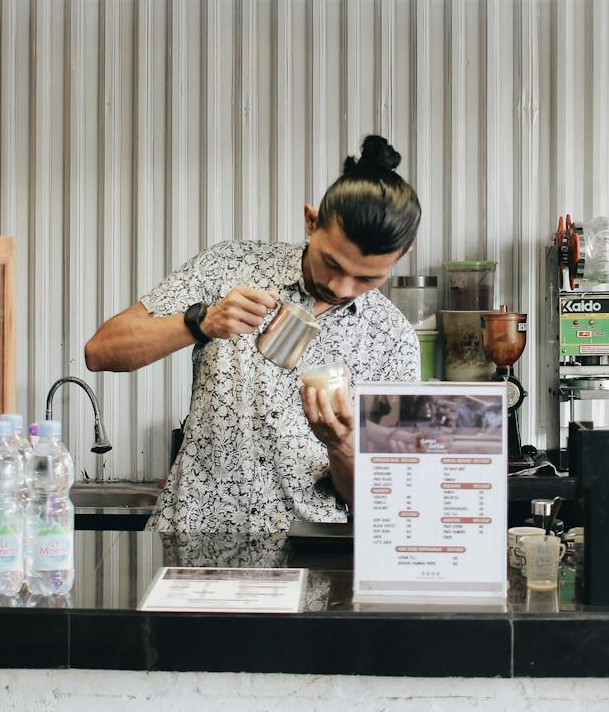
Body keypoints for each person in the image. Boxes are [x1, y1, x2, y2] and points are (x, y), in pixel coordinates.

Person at [85, 135, 423, 533]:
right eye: (331, 263)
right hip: (196, 541)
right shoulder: (231, 265)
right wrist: (200, 323)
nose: (342, 287)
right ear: (311, 222)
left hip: (312, 556)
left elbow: (382, 505)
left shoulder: (393, 339)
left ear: (400, 259)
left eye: (367, 278)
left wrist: (342, 445)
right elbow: (101, 351)